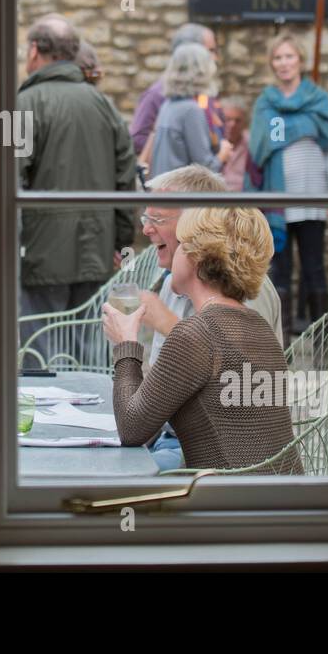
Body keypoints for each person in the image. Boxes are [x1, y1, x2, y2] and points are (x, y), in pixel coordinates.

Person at [103, 206, 302, 475]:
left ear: (197, 256)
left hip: (227, 508)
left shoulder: (196, 334)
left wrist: (125, 343)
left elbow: (131, 429)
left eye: (182, 244)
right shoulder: (257, 326)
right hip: (277, 501)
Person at [136, 165, 286, 473]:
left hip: (208, 455)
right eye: (145, 218)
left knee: (110, 486)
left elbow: (239, 386)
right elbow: (152, 398)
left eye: (157, 219)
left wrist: (161, 327)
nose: (146, 230)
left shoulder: (247, 288)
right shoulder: (169, 283)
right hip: (165, 436)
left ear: (197, 223)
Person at [17, 14, 136, 351]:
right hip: (97, 247)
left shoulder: (25, 103)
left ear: (35, 50)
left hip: (41, 250)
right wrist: (121, 240)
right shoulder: (104, 105)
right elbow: (125, 179)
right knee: (88, 350)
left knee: (40, 353)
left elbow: (8, 181)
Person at [249, 32, 328, 336]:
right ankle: (279, 343)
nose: (284, 63)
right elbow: (265, 143)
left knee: (314, 268)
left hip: (313, 195)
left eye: (289, 56)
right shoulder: (266, 103)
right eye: (278, 57)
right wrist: (301, 127)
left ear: (300, 60)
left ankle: (323, 342)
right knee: (279, 271)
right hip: (278, 199)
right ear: (272, 63)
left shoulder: (319, 100)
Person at [130, 22, 221, 155]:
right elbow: (137, 139)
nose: (215, 58)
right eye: (210, 51)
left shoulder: (204, 93)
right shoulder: (157, 95)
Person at [144, 43, 228, 178]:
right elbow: (204, 168)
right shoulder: (191, 111)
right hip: (181, 194)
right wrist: (222, 155)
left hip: (164, 191)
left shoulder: (168, 106)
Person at [216, 95, 261, 192]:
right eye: (227, 119)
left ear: (245, 122)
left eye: (237, 121)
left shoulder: (252, 143)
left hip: (244, 201)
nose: (232, 125)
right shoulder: (212, 142)